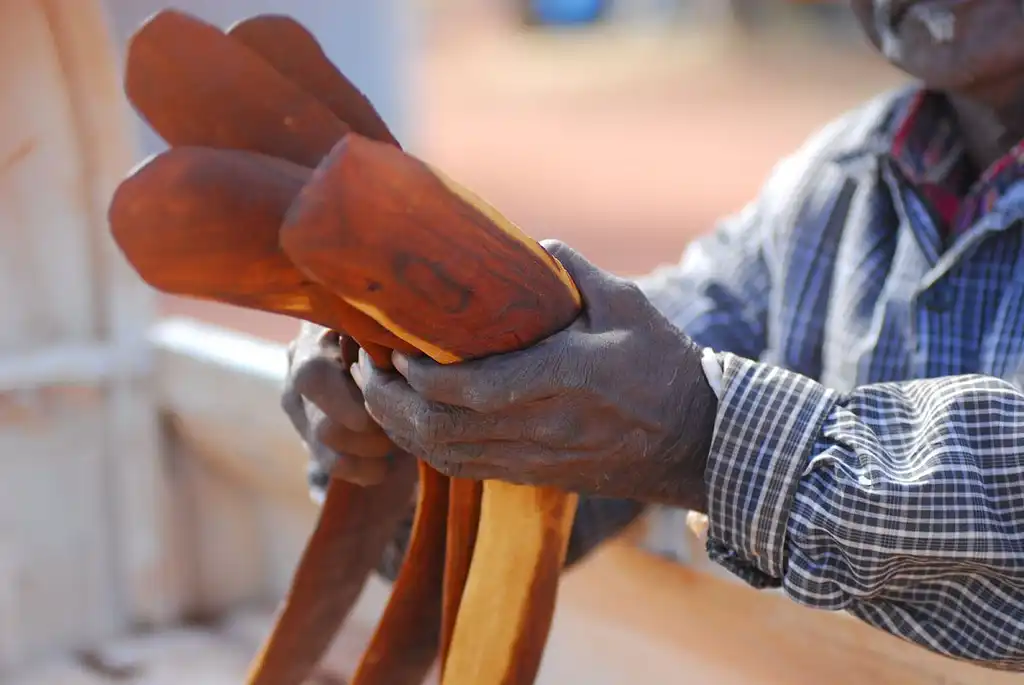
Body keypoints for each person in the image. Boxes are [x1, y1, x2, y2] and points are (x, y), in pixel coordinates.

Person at [282, 0, 1024, 670]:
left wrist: (700, 437)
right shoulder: (836, 184)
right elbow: (655, 358)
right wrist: (432, 414)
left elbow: (681, 411)